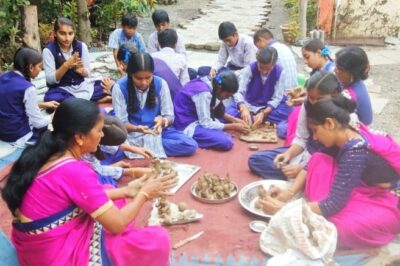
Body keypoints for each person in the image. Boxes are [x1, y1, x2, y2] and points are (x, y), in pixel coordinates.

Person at [1, 98, 177, 265]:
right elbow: (116, 225)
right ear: (79, 137)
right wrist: (144, 194)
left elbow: (73, 196)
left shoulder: (49, 153)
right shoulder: (75, 170)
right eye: (99, 130)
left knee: (110, 190)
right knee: (157, 240)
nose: (102, 135)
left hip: (34, 246)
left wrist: (126, 191)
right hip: (54, 256)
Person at [261, 95, 400, 249]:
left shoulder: (356, 151)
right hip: (357, 184)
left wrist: (285, 210)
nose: (314, 137)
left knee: (344, 227)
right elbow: (309, 166)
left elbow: (332, 204)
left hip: (381, 198)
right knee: (318, 159)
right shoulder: (342, 133)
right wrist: (289, 192)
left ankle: (312, 213)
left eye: (315, 130)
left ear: (329, 123)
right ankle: (311, 210)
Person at [248, 71, 342, 180]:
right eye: (311, 98)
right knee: (255, 160)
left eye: (320, 99)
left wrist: (304, 169)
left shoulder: (341, 114)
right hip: (306, 152)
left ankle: (302, 179)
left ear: (334, 95)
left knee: (322, 176)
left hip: (325, 163)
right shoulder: (307, 105)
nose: (315, 103)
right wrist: (288, 154)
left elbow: (334, 157)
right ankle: (297, 178)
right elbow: (302, 138)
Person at [112, 52, 198, 158]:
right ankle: (145, 149)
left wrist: (163, 121)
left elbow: (169, 116)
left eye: (148, 77)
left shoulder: (161, 83)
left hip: (157, 133)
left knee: (190, 145)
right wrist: (136, 128)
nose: (144, 82)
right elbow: (121, 123)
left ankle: (140, 150)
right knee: (110, 149)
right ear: (130, 74)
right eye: (138, 78)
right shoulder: (119, 87)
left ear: (153, 73)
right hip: (131, 135)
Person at [174, 71, 250, 151]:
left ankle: (212, 132)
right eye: (227, 95)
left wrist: (234, 120)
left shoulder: (213, 83)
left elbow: (213, 110)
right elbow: (205, 124)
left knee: (233, 114)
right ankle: (192, 137)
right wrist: (233, 126)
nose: (227, 98)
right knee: (226, 142)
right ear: (219, 89)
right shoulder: (203, 93)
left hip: (198, 116)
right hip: (186, 123)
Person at [43, 17, 111, 105]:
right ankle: (96, 100)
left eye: (70, 33)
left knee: (109, 83)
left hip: (82, 86)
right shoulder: (49, 50)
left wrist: (82, 71)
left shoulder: (81, 46)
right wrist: (66, 65)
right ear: (55, 33)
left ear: (74, 33)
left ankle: (78, 103)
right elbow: (50, 80)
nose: (67, 38)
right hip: (62, 89)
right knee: (50, 98)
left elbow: (88, 73)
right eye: (62, 33)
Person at [226, 46, 292, 128]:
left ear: (274, 64)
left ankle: (253, 118)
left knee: (288, 111)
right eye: (261, 67)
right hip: (248, 104)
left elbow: (277, 98)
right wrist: (243, 108)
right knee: (228, 112)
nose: (264, 71)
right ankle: (254, 118)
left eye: (268, 69)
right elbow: (238, 91)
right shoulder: (250, 68)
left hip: (267, 107)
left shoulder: (280, 72)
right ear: (257, 62)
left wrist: (263, 113)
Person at [0, 48, 53, 147]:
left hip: (3, 132)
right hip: (19, 136)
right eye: (40, 67)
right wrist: (53, 115)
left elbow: (11, 102)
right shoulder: (28, 88)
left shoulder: (3, 77)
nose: (41, 70)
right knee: (49, 130)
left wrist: (43, 104)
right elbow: (38, 123)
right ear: (31, 67)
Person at [335, 46, 372, 125]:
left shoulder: (351, 95)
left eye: (339, 69)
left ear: (352, 73)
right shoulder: (352, 82)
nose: (335, 71)